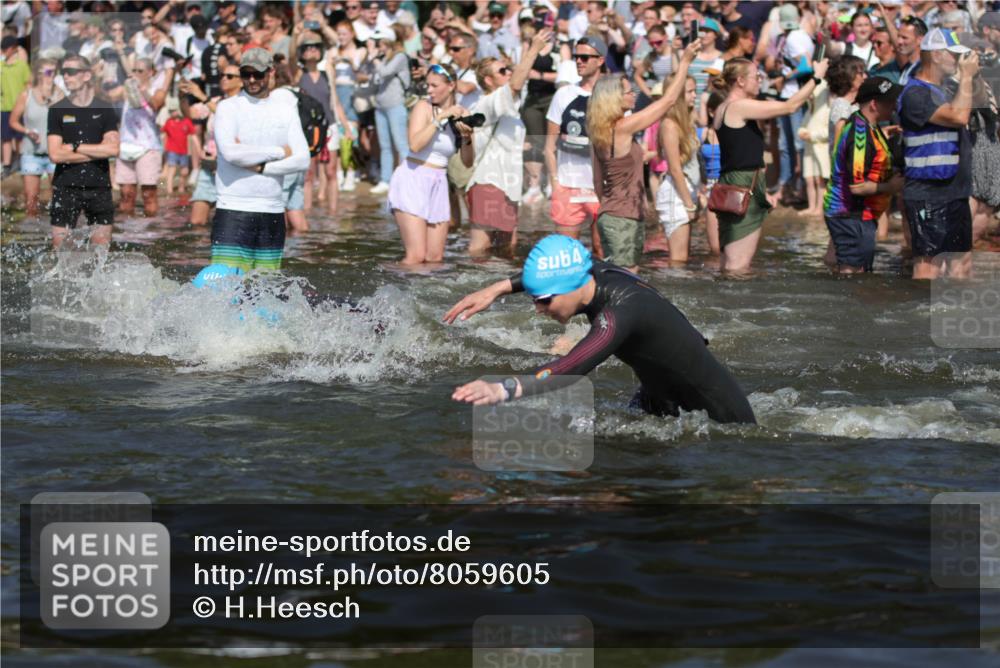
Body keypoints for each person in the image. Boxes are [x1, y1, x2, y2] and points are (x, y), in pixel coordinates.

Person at [445, 234, 756, 425]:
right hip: (659, 394)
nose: (538, 310)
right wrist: (495, 290)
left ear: (567, 287)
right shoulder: (590, 272)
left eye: (542, 301)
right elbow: (549, 271)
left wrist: (503, 389)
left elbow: (571, 366)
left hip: (718, 417)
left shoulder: (619, 313)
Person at [587, 42, 700, 273]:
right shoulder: (623, 127)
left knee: (619, 276)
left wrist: (627, 203)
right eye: (629, 92)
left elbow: (598, 183)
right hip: (624, 216)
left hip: (611, 214)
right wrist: (685, 61)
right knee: (628, 277)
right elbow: (668, 101)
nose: (634, 95)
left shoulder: (597, 132)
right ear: (614, 98)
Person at [712, 56, 829, 273]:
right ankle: (732, 304)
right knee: (738, 265)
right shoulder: (739, 107)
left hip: (733, 183)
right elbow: (790, 106)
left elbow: (742, 154)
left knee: (729, 262)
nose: (760, 80)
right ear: (740, 81)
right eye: (756, 76)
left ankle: (727, 302)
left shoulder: (723, 108)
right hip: (744, 185)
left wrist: (763, 191)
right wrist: (816, 78)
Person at [211, 48, 310, 272]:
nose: (252, 80)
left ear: (271, 72)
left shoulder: (286, 110)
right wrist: (279, 151)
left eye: (258, 74)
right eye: (246, 74)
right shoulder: (228, 108)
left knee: (266, 288)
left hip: (273, 211)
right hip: (233, 207)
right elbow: (231, 153)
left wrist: (262, 167)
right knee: (224, 287)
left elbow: (303, 160)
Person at [897, 28, 979, 280]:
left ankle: (956, 313)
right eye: (952, 55)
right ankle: (920, 317)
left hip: (955, 191)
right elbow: (958, 116)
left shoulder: (944, 89)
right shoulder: (915, 93)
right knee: (928, 265)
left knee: (961, 264)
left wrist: (972, 79)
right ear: (935, 55)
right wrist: (966, 77)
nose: (957, 60)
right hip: (928, 193)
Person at [466, 29, 551, 257]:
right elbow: (515, 85)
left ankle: (495, 290)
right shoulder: (487, 102)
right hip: (488, 183)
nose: (508, 73)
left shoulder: (507, 107)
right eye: (502, 71)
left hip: (508, 187)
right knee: (480, 248)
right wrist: (533, 49)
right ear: (488, 80)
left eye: (507, 69)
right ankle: (466, 287)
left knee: (506, 249)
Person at [387, 63, 473, 265]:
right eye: (428, 85)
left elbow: (468, 162)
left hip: (439, 183)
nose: (429, 90)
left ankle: (424, 295)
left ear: (451, 86)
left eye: (434, 86)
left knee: (435, 258)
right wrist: (441, 118)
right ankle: (387, 287)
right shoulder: (423, 107)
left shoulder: (463, 114)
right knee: (415, 256)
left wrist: (468, 137)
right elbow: (415, 145)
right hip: (413, 178)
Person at [823, 76, 905, 274]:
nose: (894, 106)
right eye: (890, 101)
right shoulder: (860, 134)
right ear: (874, 104)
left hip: (860, 215)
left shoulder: (871, 126)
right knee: (852, 272)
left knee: (859, 270)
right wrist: (891, 187)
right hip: (849, 214)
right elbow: (856, 186)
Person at [46, 54, 120, 249]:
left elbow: (113, 148)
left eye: (71, 72)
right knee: (61, 250)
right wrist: (97, 150)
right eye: (63, 73)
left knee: (101, 250)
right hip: (66, 186)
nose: (66, 77)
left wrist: (75, 146)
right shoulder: (57, 110)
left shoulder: (104, 108)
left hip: (99, 186)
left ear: (87, 75)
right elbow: (55, 154)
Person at [544, 35, 608, 256]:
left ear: (600, 60)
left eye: (584, 57)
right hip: (568, 185)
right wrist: (555, 183)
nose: (578, 61)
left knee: (602, 250)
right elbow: (549, 147)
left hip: (602, 187)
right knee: (565, 254)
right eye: (576, 57)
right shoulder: (564, 94)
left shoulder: (613, 95)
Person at [185, 63, 243, 227]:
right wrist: (184, 97)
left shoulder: (243, 104)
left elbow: (227, 117)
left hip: (231, 169)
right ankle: (200, 252)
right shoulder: (215, 100)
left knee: (227, 223)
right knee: (196, 222)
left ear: (241, 82)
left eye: (230, 76)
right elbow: (190, 113)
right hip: (209, 166)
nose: (224, 79)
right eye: (222, 75)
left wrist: (202, 96)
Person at [8, 58, 62, 217]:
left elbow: (70, 119)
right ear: (38, 74)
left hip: (55, 154)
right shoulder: (26, 95)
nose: (51, 76)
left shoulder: (59, 94)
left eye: (54, 72)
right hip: (31, 153)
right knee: (31, 202)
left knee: (60, 200)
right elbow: (13, 121)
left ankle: (57, 234)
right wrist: (27, 131)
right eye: (48, 72)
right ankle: (33, 237)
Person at [115, 57, 169, 217]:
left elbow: (156, 104)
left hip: (149, 148)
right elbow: (108, 96)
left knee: (148, 194)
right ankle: (126, 232)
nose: (136, 74)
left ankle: (150, 233)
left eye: (140, 71)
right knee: (126, 194)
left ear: (150, 72)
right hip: (125, 146)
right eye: (134, 70)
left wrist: (142, 89)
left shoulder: (157, 91)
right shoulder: (127, 89)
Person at [655, 74, 701, 263]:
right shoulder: (669, 125)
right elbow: (674, 168)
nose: (695, 96)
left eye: (695, 91)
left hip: (684, 191)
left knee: (683, 259)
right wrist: (688, 204)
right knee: (678, 260)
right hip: (676, 194)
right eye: (690, 91)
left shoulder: (686, 122)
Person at [518, 7, 558, 205]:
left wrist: (541, 76)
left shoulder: (560, 45)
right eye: (541, 25)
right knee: (536, 141)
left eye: (547, 25)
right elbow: (523, 68)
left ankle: (552, 182)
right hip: (533, 98)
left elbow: (564, 74)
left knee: (552, 142)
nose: (544, 29)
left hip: (552, 98)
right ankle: (535, 185)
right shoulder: (530, 44)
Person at [369, 28, 411, 194]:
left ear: (387, 42)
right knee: (385, 146)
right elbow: (375, 79)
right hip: (381, 106)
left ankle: (407, 179)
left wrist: (374, 59)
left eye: (379, 42)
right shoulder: (383, 58)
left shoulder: (400, 57)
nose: (377, 45)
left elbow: (385, 73)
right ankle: (385, 180)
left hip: (396, 105)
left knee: (401, 144)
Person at [1, 35, 30, 177]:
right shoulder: (1, 66)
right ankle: (7, 165)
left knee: (19, 137)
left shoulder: (22, 65)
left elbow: (28, 83)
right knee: (6, 137)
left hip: (20, 108)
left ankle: (19, 160)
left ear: (13, 49)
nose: (4, 52)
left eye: (6, 49)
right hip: (4, 106)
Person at [161, 102, 195, 195]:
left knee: (184, 171)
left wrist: (196, 149)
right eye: (170, 111)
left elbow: (193, 134)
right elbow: (163, 133)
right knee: (172, 169)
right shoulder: (169, 122)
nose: (171, 113)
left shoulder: (186, 121)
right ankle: (169, 189)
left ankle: (181, 187)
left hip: (183, 151)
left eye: (173, 111)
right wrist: (164, 149)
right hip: (172, 150)